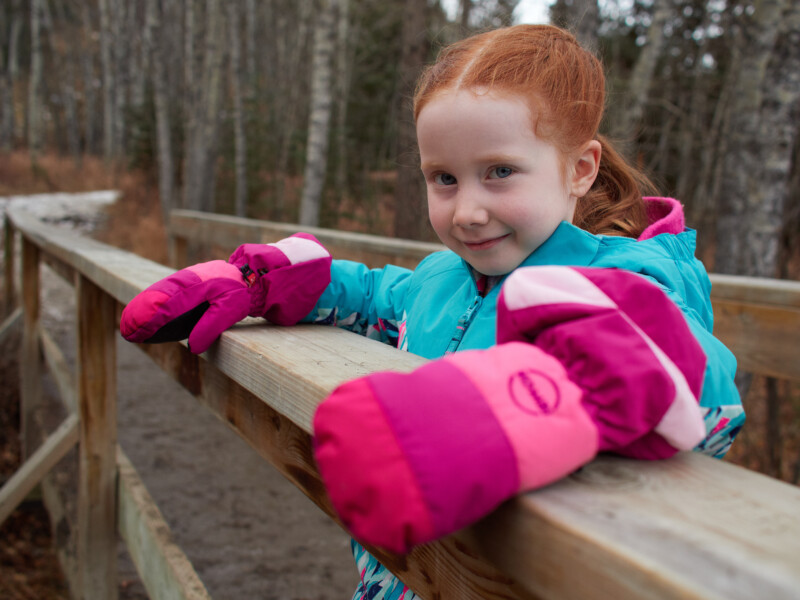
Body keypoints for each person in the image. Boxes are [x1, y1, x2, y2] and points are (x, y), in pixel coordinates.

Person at [120, 25, 744, 600]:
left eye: (499, 172)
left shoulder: (623, 283)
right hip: (400, 575)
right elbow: (375, 299)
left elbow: (703, 384)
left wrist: (546, 393)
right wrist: (268, 283)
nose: (467, 210)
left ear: (579, 169)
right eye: (443, 178)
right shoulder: (445, 274)